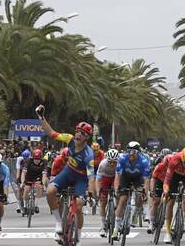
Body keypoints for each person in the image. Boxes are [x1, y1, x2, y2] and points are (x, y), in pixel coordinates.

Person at [37, 104, 94, 246]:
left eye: (83, 133)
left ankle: (79, 238)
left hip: (80, 179)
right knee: (50, 191)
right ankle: (58, 223)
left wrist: (91, 194)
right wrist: (41, 117)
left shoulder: (89, 154)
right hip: (68, 172)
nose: (79, 134)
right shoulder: (69, 139)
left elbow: (91, 176)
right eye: (78, 131)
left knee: (79, 206)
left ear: (87, 137)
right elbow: (51, 133)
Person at [112, 141, 150, 240]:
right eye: (129, 151)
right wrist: (116, 188)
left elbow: (146, 180)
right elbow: (117, 176)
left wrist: (144, 192)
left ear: (138, 153)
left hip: (138, 178)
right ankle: (116, 228)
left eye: (134, 151)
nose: (131, 154)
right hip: (125, 178)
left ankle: (136, 213)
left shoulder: (144, 161)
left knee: (139, 196)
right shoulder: (122, 159)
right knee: (123, 199)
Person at [95, 148, 119, 237]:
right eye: (110, 162)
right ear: (107, 160)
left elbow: (120, 178)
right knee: (102, 201)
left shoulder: (120, 164)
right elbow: (98, 180)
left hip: (115, 178)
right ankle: (102, 225)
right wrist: (98, 192)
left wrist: (117, 191)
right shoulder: (103, 164)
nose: (112, 164)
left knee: (118, 193)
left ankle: (117, 210)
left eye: (114, 162)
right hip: (105, 178)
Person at [148, 150, 173, 234]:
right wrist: (152, 190)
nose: (167, 169)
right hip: (159, 181)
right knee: (156, 202)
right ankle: (151, 223)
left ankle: (165, 217)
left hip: (170, 183)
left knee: (170, 202)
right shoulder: (159, 166)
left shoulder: (175, 168)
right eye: (166, 166)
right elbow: (153, 179)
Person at [20, 149, 47, 214]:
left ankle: (36, 205)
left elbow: (44, 175)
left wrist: (43, 184)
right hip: (29, 176)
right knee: (26, 189)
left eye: (38, 159)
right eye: (35, 159)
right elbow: (23, 173)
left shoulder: (44, 162)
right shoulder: (28, 161)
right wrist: (22, 182)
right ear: (32, 157)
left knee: (39, 187)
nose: (37, 160)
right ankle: (25, 205)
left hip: (38, 176)